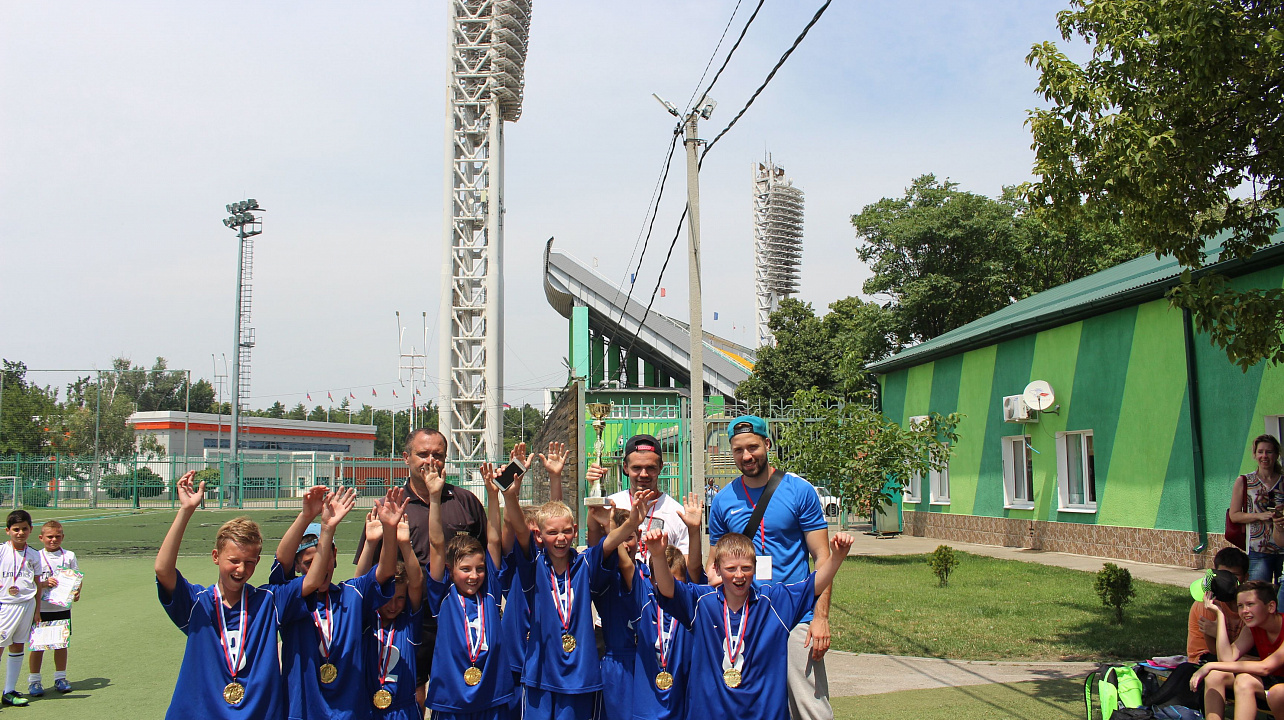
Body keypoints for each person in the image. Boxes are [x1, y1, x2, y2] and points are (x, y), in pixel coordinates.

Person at [645, 529, 855, 720]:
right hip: (709, 712)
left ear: (755, 567)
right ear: (717, 568)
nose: (739, 575)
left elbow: (814, 586)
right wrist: (657, 555)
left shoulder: (773, 603)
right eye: (731, 568)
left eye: (746, 568)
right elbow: (668, 589)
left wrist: (837, 557)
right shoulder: (702, 602)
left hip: (763, 713)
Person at [501, 462, 655, 720]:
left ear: (575, 532)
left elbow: (610, 543)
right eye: (552, 533)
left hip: (581, 675)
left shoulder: (585, 564)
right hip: (541, 672)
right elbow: (518, 527)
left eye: (566, 531)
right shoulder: (533, 566)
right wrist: (509, 496)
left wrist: (631, 524)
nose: (560, 538)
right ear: (539, 536)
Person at [708, 415, 834, 720]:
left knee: (809, 707)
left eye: (752, 447)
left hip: (795, 616)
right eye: (738, 450)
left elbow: (823, 558)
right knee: (753, 707)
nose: (746, 456)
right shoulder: (724, 500)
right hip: (746, 622)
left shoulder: (799, 491)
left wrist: (821, 617)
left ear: (767, 444)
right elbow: (714, 565)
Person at [155, 471, 309, 720]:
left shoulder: (268, 601)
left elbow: (308, 579)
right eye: (233, 560)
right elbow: (163, 570)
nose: (240, 569)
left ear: (258, 562)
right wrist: (186, 511)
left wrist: (308, 517)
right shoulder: (198, 603)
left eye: (249, 562)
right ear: (216, 557)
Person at [353, 428, 488, 703]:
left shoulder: (466, 502)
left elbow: (486, 556)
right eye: (422, 454)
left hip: (458, 616)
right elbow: (367, 572)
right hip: (406, 616)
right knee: (410, 690)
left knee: (460, 687)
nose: (430, 461)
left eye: (438, 455)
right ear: (406, 457)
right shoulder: (390, 506)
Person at [278, 486, 402, 719]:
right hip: (303, 711)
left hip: (350, 712)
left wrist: (390, 530)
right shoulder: (289, 599)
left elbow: (385, 572)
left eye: (325, 558)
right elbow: (281, 560)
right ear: (296, 566)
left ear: (335, 556)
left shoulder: (352, 595)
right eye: (309, 563)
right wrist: (319, 523)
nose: (320, 568)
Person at [423, 462, 513, 719]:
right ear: (451, 570)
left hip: (491, 695)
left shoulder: (491, 591)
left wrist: (492, 495)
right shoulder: (443, 595)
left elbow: (494, 539)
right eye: (466, 569)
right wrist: (434, 498)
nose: (474, 576)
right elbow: (437, 544)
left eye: (479, 569)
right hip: (452, 698)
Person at [625, 492, 706, 720]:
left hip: (683, 694)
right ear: (650, 579)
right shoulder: (644, 598)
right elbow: (624, 562)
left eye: (676, 583)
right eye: (661, 580)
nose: (669, 589)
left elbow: (695, 570)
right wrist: (632, 524)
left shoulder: (690, 603)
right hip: (648, 700)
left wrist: (693, 531)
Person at [364, 503, 426, 719]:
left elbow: (417, 582)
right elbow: (357, 584)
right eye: (387, 598)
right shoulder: (366, 622)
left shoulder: (408, 623)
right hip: (368, 708)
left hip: (403, 709)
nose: (393, 605)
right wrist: (370, 544)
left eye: (400, 598)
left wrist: (404, 544)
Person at [1191, 580, 1284, 720]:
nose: (1244, 611)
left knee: (1276, 692)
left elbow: (1265, 668)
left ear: (1271, 606)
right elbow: (1226, 659)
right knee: (1217, 675)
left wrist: (1210, 665)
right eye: (1240, 606)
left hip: (1278, 686)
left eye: (1250, 604)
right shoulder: (1252, 629)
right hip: (1273, 680)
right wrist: (1220, 616)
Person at [587, 434, 690, 559]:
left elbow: (686, 568)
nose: (644, 474)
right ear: (625, 467)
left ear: (660, 467)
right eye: (637, 468)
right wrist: (594, 489)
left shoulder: (677, 512)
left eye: (650, 468)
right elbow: (594, 554)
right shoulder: (612, 505)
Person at [1230, 434, 1284, 605]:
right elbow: (1235, 515)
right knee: (1258, 598)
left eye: (1269, 452)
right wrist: (1259, 516)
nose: (1264, 456)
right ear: (1255, 454)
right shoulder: (1245, 481)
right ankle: (1257, 632)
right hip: (1259, 549)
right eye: (1260, 452)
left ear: (1276, 455)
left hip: (1283, 547)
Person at [28, 519, 80, 697]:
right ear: (41, 537)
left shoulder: (69, 556)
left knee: (61, 644)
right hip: (41, 608)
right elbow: (30, 583)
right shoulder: (36, 556)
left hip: (62, 608)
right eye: (49, 537)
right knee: (38, 646)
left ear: (62, 537)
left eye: (57, 536)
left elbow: (76, 577)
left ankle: (61, 678)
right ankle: (34, 681)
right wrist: (44, 583)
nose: (53, 540)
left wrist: (77, 591)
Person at [0, 510, 43, 707]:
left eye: (24, 529)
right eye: (16, 529)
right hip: (5, 605)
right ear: (7, 530)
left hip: (27, 605)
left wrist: (37, 611)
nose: (20, 533)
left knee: (17, 646)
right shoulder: (1, 551)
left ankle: (9, 691)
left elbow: (37, 584)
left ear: (31, 530)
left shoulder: (34, 554)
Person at [1188, 548, 1249, 662]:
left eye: (1234, 575)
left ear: (1246, 577)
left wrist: (1219, 632)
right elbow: (1215, 652)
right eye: (1223, 575)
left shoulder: (1248, 605)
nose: (1227, 580)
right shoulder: (1207, 604)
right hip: (1205, 657)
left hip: (1232, 656)